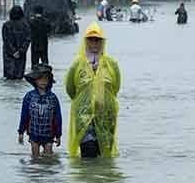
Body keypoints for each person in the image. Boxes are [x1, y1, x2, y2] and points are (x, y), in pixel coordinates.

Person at [64, 22, 121, 158]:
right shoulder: (77, 64)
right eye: (91, 39)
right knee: (88, 152)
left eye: (97, 40)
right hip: (83, 117)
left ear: (102, 42)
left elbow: (116, 87)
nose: (94, 43)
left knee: (103, 155)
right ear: (85, 41)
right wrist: (83, 102)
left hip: (106, 116)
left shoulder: (111, 64)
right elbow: (70, 88)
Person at [17, 64, 62, 158]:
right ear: (35, 80)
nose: (43, 81)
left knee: (48, 159)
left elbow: (58, 118)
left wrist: (58, 135)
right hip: (34, 133)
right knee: (35, 159)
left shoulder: (53, 98)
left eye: (45, 79)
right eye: (40, 79)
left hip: (49, 134)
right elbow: (24, 115)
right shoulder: (29, 96)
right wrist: (21, 132)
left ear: (49, 81)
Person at [1, 5, 31, 80]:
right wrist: (20, 51)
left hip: (9, 55)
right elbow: (27, 40)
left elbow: (6, 40)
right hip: (21, 55)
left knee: (9, 78)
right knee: (19, 76)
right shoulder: (26, 25)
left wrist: (13, 52)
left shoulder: (6, 25)